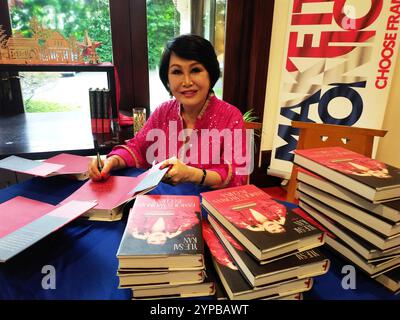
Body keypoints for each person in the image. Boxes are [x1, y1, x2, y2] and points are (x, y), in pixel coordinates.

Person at [88, 34, 250, 188]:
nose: (187, 82)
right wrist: (112, 161)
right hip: (163, 205)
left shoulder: (231, 116)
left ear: (210, 74)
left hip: (208, 209)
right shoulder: (163, 112)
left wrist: (193, 175)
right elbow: (137, 148)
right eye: (177, 72)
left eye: (195, 70)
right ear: (167, 79)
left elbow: (238, 175)